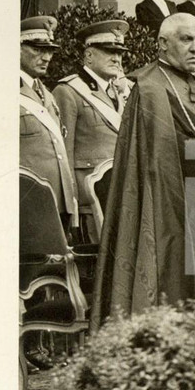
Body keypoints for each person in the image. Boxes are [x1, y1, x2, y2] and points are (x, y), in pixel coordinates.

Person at [90, 13, 195, 328]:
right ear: (163, 43)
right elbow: (181, 148)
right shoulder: (150, 87)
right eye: (186, 39)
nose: (194, 48)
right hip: (173, 199)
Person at [52, 20, 133, 242]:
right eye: (109, 51)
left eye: (119, 52)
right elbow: (64, 154)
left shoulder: (119, 93)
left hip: (120, 192)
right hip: (89, 199)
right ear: (88, 55)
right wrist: (71, 206)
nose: (117, 59)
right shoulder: (69, 91)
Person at [19, 16, 79, 234]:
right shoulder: (3, 91)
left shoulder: (47, 94)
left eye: (50, 51)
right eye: (38, 49)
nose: (46, 57)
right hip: (27, 202)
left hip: (58, 200)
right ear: (17, 48)